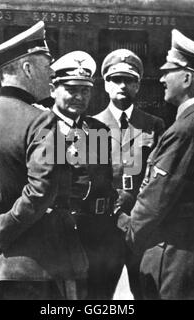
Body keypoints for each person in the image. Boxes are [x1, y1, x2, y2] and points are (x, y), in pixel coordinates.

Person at [0, 22, 88, 300]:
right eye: (47, 66)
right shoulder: (42, 121)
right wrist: (1, 230)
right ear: (28, 69)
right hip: (36, 267)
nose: (52, 74)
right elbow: (42, 191)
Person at [119, 29, 194, 299]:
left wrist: (129, 238)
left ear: (186, 78)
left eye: (167, 71)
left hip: (175, 253)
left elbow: (154, 200)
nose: (161, 78)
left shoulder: (184, 130)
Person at [94, 49, 165, 299]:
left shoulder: (154, 125)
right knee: (98, 296)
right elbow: (86, 180)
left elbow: (158, 177)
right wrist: (116, 213)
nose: (122, 85)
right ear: (106, 84)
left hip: (143, 227)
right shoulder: (91, 126)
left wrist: (136, 216)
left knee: (147, 292)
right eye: (116, 79)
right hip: (104, 226)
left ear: (138, 85)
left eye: (129, 80)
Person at [49, 50, 119, 299]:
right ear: (53, 90)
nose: (79, 96)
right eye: (71, 89)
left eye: (85, 90)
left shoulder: (97, 129)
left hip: (101, 233)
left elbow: (103, 180)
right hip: (64, 233)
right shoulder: (43, 129)